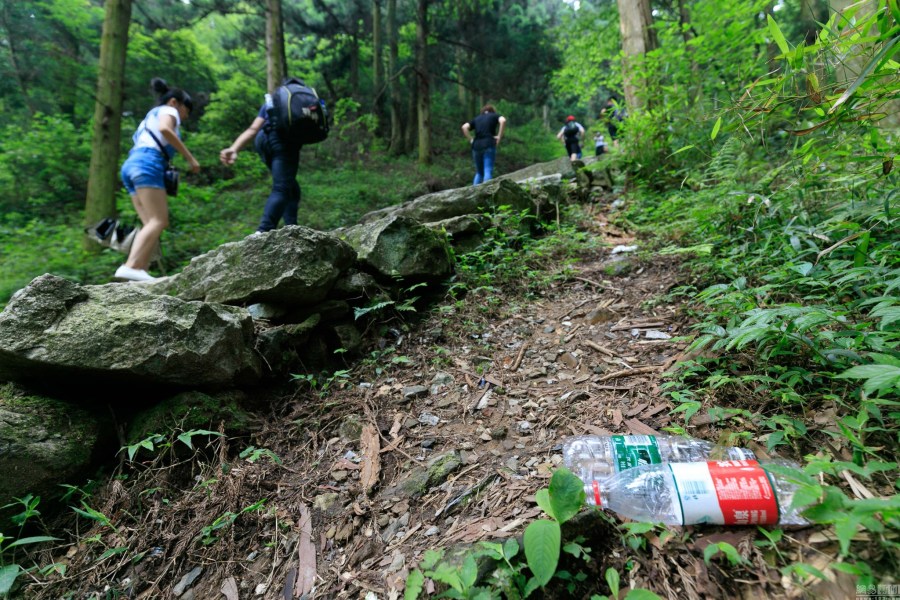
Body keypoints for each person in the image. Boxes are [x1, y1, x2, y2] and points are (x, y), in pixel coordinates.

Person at [116, 78, 200, 282]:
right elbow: (165, 130)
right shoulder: (168, 111)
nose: (184, 117)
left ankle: (138, 271)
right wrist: (190, 158)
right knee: (159, 220)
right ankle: (131, 266)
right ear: (174, 102)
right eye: (185, 111)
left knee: (149, 224)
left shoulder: (147, 118)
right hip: (148, 163)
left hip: (131, 165)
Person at [220, 81, 303, 234]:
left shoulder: (274, 101)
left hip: (263, 141)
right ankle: (263, 231)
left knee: (292, 188)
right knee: (282, 188)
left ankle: (292, 229)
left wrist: (234, 148)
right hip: (284, 143)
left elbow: (253, 129)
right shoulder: (300, 104)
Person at [461, 105, 506, 185]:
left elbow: (464, 127)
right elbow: (503, 121)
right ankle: (487, 192)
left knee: (479, 172)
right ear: (492, 111)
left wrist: (471, 139)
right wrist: (499, 136)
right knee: (487, 170)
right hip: (488, 144)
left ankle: (474, 194)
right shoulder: (494, 115)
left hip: (476, 146)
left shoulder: (477, 118)